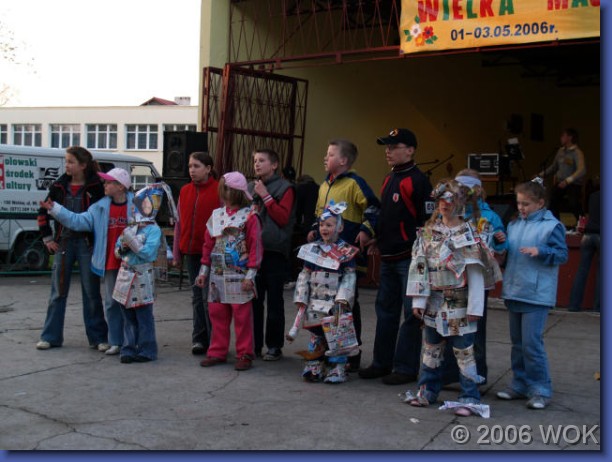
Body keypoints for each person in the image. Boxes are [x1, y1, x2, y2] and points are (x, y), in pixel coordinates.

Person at [405, 179, 501, 416]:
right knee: (431, 349)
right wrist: (418, 300)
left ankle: (469, 396)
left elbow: (476, 273)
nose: (445, 204)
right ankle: (427, 390)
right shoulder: (428, 233)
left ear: (461, 203)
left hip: (460, 301)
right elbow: (420, 267)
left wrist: (475, 307)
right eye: (441, 199)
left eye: (451, 199)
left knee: (464, 351)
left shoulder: (469, 235)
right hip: (433, 300)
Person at [358, 128, 432, 385]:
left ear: (410, 150)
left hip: (409, 259)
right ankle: (381, 363)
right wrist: (377, 238)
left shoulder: (418, 181)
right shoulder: (389, 178)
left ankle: (405, 368)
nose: (388, 152)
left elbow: (427, 222)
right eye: (386, 147)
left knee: (412, 314)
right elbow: (388, 216)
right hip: (388, 257)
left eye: (394, 147)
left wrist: (421, 254)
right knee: (385, 313)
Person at [39, 167, 134, 356]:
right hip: (110, 262)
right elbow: (78, 220)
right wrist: (56, 210)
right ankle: (115, 341)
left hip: (132, 263)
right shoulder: (99, 207)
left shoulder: (137, 205)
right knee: (111, 302)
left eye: (109, 182)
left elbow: (149, 227)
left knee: (132, 302)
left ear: (121, 187)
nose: (104, 185)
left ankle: (133, 340)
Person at [307, 138, 380, 372]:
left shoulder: (354, 183)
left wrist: (365, 230)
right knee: (323, 303)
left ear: (343, 160)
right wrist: (313, 229)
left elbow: (373, 207)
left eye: (330, 154)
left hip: (346, 258)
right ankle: (326, 351)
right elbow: (319, 215)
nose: (325, 158)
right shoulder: (323, 185)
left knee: (346, 304)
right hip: (324, 258)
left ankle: (351, 354)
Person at [497, 178, 568, 410]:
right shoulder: (514, 224)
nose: (521, 208)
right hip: (515, 290)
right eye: (519, 203)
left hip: (536, 293)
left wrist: (541, 250)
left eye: (526, 204)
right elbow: (509, 254)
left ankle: (540, 389)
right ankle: (519, 384)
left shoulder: (552, 226)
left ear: (540, 203)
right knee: (518, 344)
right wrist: (499, 245)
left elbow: (562, 254)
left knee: (531, 344)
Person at [35, 146, 108, 351]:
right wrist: (48, 238)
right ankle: (50, 337)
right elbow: (42, 212)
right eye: (66, 161)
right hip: (64, 243)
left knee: (91, 292)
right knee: (58, 291)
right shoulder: (58, 186)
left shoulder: (96, 187)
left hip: (87, 245)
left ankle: (99, 338)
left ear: (83, 165)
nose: (66, 165)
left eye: (70, 162)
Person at [441, 168, 508, 385]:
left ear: (478, 191)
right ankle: (450, 374)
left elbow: (502, 246)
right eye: (459, 190)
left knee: (475, 328)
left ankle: (476, 375)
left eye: (467, 190)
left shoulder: (490, 216)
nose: (462, 194)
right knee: (451, 327)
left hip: (478, 281)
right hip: (452, 279)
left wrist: (500, 241)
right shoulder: (450, 212)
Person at [195, 172, 263, 371]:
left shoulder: (250, 217)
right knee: (217, 314)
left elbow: (255, 246)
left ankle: (245, 353)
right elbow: (208, 245)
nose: (222, 192)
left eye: (225, 188)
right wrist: (203, 271)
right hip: (217, 275)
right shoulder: (216, 215)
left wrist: (251, 275)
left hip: (240, 276)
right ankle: (217, 351)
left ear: (235, 191)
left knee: (242, 317)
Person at [286, 201, 359, 384]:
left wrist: (343, 298)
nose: (324, 228)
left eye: (329, 225)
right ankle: (315, 364)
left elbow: (350, 276)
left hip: (336, 302)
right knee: (316, 333)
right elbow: (305, 274)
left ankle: (337, 367)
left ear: (340, 227)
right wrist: (301, 296)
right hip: (315, 299)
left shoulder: (346, 252)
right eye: (321, 225)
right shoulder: (312, 250)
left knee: (337, 334)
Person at [112, 183, 175, 363]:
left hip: (142, 277)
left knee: (144, 316)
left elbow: (148, 253)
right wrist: (123, 248)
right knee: (128, 316)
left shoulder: (153, 230)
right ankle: (129, 348)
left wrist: (130, 242)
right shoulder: (130, 227)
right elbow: (117, 252)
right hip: (125, 276)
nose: (136, 208)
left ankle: (147, 349)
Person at [248, 149, 296, 361]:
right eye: (255, 161)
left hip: (274, 250)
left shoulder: (286, 188)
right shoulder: (251, 187)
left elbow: (283, 218)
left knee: (275, 302)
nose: (257, 164)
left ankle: (274, 346)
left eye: (262, 160)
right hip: (253, 251)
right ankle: (254, 344)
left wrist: (266, 196)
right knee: (254, 301)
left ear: (274, 165)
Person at [172, 152, 220, 356]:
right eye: (190, 166)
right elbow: (179, 223)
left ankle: (215, 340)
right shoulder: (185, 191)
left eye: (197, 166)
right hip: (191, 252)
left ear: (208, 169)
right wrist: (176, 252)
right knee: (197, 297)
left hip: (213, 253)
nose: (192, 170)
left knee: (210, 298)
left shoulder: (219, 190)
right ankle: (199, 339)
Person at [538, 128, 586, 221]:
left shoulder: (577, 152)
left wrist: (567, 181)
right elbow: (554, 167)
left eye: (563, 135)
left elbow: (582, 170)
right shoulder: (560, 151)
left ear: (570, 137)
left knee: (573, 204)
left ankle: (582, 223)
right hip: (560, 183)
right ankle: (556, 223)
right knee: (552, 201)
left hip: (573, 184)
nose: (561, 138)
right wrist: (540, 175)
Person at [569, 188, 600, 313]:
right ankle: (598, 307)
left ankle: (574, 305)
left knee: (582, 270)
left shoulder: (593, 195)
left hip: (588, 235)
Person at [286, 174, 320, 288]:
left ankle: (293, 277)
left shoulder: (300, 188)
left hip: (305, 225)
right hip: (317, 225)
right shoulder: (319, 188)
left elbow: (297, 210)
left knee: (298, 252)